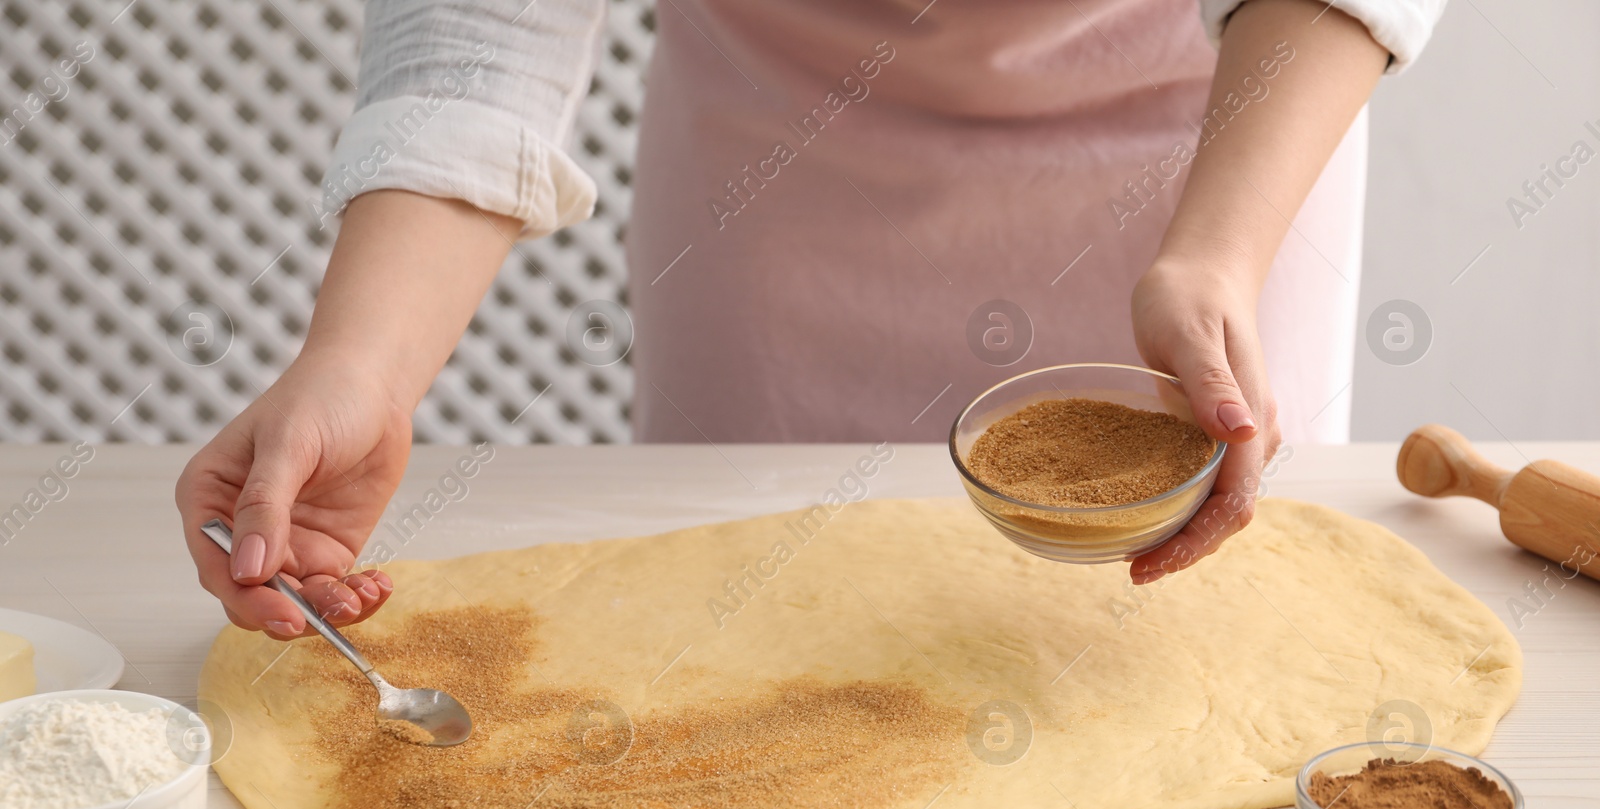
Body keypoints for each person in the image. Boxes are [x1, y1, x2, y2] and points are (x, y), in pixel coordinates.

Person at [176, 0, 1443, 638]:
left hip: (1215, 157)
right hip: (777, 166)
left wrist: (1219, 252)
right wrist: (362, 358)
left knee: (1190, 643)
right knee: (750, 624)